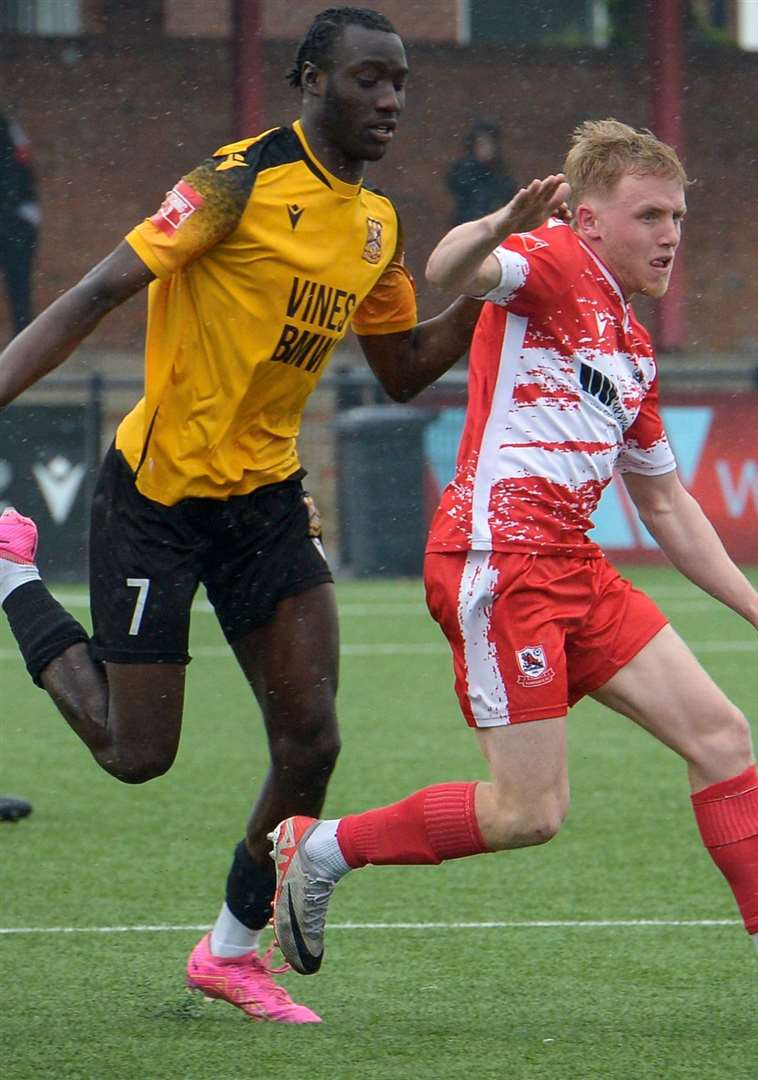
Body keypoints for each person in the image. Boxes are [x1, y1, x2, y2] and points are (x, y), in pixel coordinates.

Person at [269, 119, 758, 1035]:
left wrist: (755, 605)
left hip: (575, 567)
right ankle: (323, 849)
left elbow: (665, 505)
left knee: (722, 736)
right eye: (649, 214)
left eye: (679, 217)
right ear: (588, 218)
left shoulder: (634, 347)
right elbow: (451, 269)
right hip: (499, 563)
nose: (670, 235)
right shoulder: (549, 260)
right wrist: (503, 220)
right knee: (529, 814)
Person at [0, 7, 483, 1024]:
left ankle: (229, 949)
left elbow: (400, 371)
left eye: (400, 82)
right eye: (368, 79)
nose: (390, 99)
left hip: (264, 503)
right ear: (313, 79)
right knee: (138, 757)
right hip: (159, 499)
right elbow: (94, 293)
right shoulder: (233, 180)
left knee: (311, 740)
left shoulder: (378, 224)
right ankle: (11, 571)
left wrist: (496, 279)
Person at [0, 109, 40, 338]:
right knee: (20, 292)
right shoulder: (8, 126)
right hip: (18, 220)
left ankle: (22, 349)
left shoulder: (5, 127)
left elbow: (16, 176)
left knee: (19, 291)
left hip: (15, 221)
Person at [446, 119, 518, 226]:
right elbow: (458, 187)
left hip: (494, 226)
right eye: (481, 144)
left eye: (489, 144)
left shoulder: (500, 173)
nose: (485, 148)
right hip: (468, 225)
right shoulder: (464, 170)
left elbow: (508, 194)